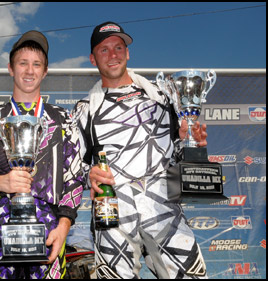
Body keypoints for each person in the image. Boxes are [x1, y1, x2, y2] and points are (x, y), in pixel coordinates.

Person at [72, 21, 209, 279]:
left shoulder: (161, 96)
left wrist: (192, 144)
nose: (113, 55)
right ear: (92, 59)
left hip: (164, 207)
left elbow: (177, 156)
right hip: (113, 213)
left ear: (128, 53)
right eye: (104, 50)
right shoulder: (84, 109)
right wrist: (89, 175)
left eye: (118, 47)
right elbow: (74, 167)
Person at [0, 30, 85, 279]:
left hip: (49, 232)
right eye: (23, 63)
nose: (30, 71)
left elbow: (75, 178)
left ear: (45, 71)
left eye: (37, 64)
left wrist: (63, 227)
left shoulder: (64, 119)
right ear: (10, 68)